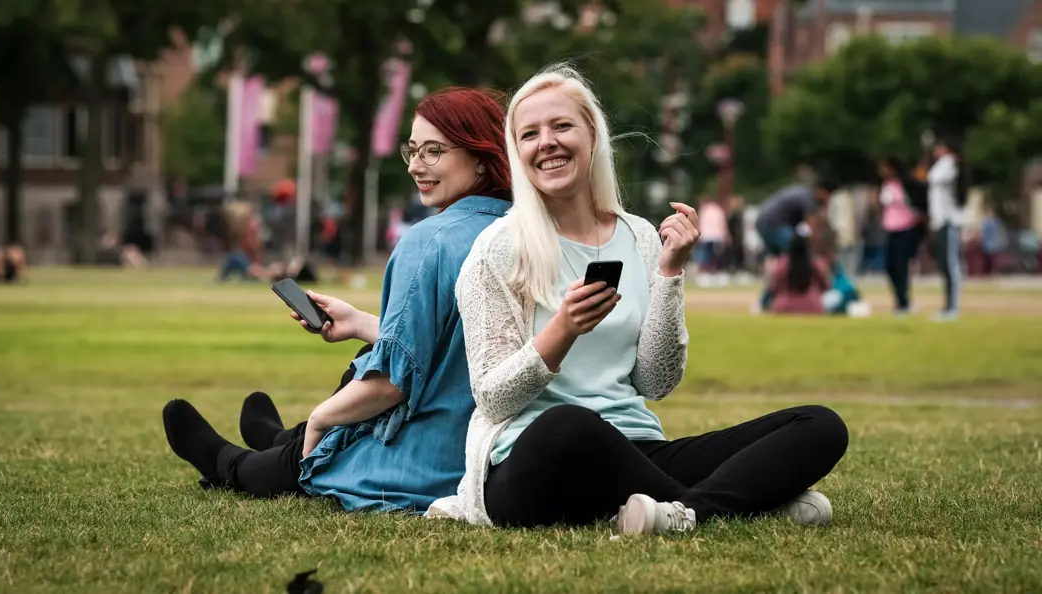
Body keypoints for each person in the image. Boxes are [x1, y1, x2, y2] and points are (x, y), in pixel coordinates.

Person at [426, 65, 848, 534]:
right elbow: (492, 398)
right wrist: (562, 330)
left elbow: (656, 380)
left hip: (636, 449)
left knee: (819, 425)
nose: (547, 142)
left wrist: (670, 272)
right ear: (517, 151)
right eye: (530, 134)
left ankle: (687, 512)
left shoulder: (640, 236)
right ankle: (742, 505)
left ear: (592, 136)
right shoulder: (497, 250)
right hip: (534, 461)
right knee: (571, 424)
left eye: (562, 126)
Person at [162, 87, 514, 513]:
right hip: (483, 455)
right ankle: (278, 439)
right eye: (413, 150)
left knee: (317, 447)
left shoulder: (428, 241)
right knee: (368, 353)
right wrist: (363, 322)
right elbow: (453, 348)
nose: (416, 166)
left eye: (434, 151)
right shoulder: (522, 231)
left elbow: (393, 383)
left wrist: (321, 418)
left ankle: (229, 463)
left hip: (419, 465)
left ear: (481, 155)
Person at [755, 179, 837, 310]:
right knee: (794, 258)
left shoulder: (803, 194)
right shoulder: (808, 199)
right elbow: (813, 228)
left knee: (783, 264)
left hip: (765, 223)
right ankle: (766, 301)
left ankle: (767, 300)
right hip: (773, 225)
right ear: (821, 191)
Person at [927, 139, 965, 321]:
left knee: (950, 264)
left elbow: (934, 177)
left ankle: (952, 306)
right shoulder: (942, 165)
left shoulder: (950, 165)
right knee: (944, 264)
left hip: (948, 220)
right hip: (940, 220)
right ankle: (948, 305)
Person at [878, 157, 922, 315]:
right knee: (890, 266)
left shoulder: (905, 185)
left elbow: (917, 203)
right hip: (891, 229)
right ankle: (898, 297)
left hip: (905, 227)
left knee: (901, 265)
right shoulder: (886, 186)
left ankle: (904, 301)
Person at [767, 230, 830, 315]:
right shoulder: (815, 264)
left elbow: (774, 286)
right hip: (812, 306)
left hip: (785, 306)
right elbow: (825, 286)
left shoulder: (783, 265)